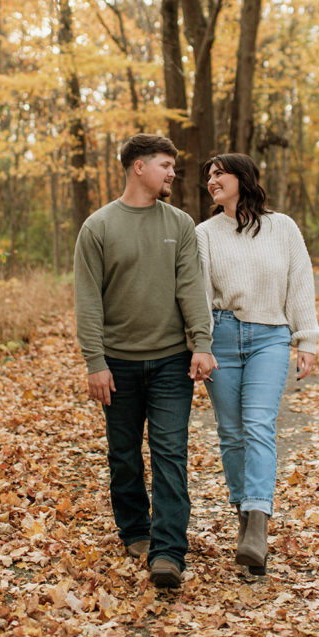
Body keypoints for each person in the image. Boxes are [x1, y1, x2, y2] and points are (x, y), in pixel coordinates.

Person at [74, 133, 216, 590]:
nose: (172, 172)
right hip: (118, 364)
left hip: (172, 362)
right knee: (124, 456)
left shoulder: (179, 222)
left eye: (173, 165)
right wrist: (95, 361)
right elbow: (88, 301)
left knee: (171, 454)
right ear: (138, 167)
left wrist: (201, 343)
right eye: (163, 165)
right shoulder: (98, 227)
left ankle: (169, 551)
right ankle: (135, 530)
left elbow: (191, 289)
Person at [195, 153, 319, 575]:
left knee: (259, 425)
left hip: (270, 335)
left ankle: (257, 526)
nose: (211, 180)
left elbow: (300, 281)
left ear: (242, 178)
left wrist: (307, 338)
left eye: (219, 173)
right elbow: (197, 294)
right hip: (223, 337)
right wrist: (200, 345)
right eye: (208, 176)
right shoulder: (205, 233)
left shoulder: (282, 227)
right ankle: (245, 518)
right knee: (231, 433)